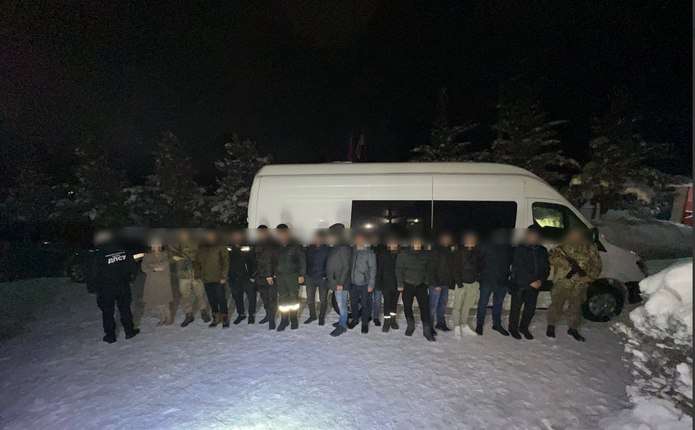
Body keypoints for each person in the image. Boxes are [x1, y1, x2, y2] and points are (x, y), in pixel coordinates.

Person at [547, 227, 602, 342]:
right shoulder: (562, 246)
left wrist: (589, 277)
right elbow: (551, 258)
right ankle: (551, 325)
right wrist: (565, 263)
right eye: (573, 234)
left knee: (576, 307)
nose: (575, 236)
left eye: (577, 234)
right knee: (556, 305)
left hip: (580, 284)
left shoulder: (590, 247)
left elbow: (597, 265)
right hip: (563, 282)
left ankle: (573, 328)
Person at [89, 230, 139, 343]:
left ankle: (110, 336)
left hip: (105, 288)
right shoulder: (123, 250)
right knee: (125, 309)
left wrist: (93, 287)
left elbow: (93, 272)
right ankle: (129, 331)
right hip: (122, 285)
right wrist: (130, 278)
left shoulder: (98, 254)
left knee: (107, 312)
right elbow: (132, 267)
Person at [508, 225, 550, 340]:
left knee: (530, 310)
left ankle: (524, 328)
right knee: (516, 309)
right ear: (527, 235)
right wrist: (531, 281)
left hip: (535, 285)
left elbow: (546, 268)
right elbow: (518, 267)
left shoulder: (542, 250)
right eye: (531, 235)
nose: (533, 237)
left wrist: (541, 280)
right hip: (520, 284)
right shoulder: (519, 249)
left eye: (535, 235)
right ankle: (513, 328)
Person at [396, 235, 435, 341]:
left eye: (419, 242)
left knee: (425, 307)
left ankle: (427, 330)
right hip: (408, 285)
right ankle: (410, 325)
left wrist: (426, 282)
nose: (417, 244)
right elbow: (399, 270)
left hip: (421, 285)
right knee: (407, 306)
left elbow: (428, 269)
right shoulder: (404, 254)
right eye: (415, 242)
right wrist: (400, 284)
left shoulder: (425, 254)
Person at [476, 229, 513, 336]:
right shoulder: (484, 244)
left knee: (498, 304)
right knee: (482, 304)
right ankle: (479, 324)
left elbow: (510, 262)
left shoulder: (508, 246)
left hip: (502, 281)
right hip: (487, 280)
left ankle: (497, 324)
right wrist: (480, 275)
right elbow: (477, 260)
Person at [269, 224, 306, 331]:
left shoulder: (295, 244)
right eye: (279, 233)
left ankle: (294, 320)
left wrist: (301, 274)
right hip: (280, 277)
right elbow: (272, 261)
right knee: (283, 299)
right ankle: (284, 320)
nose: (281, 235)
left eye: (282, 233)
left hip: (293, 276)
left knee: (293, 299)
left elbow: (302, 260)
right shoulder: (276, 246)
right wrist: (271, 273)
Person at [171, 230, 211, 327]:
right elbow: (171, 256)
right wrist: (176, 257)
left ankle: (203, 312)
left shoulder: (195, 243)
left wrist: (191, 257)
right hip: (183, 274)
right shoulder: (176, 245)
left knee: (200, 294)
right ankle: (188, 315)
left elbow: (201, 254)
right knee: (185, 296)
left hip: (195, 273)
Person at [452, 231, 483, 338]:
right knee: (457, 306)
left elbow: (481, 267)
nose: (471, 241)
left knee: (467, 306)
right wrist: (459, 283)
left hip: (473, 284)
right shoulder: (458, 252)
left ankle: (464, 325)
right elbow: (455, 268)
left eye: (472, 239)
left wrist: (477, 280)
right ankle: (457, 327)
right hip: (462, 283)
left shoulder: (477, 252)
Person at [198, 230, 230, 328]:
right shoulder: (202, 247)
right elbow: (198, 262)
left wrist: (224, 276)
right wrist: (200, 274)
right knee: (212, 300)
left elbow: (226, 261)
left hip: (218, 278)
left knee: (221, 299)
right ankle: (216, 317)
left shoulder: (220, 245)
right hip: (207, 279)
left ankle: (224, 318)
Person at [326, 224, 352, 337]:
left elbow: (346, 266)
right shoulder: (337, 246)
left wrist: (341, 283)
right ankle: (342, 320)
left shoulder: (344, 247)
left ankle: (342, 326)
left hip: (341, 283)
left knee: (342, 305)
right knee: (340, 304)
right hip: (335, 281)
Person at [348, 231, 377, 333]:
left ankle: (364, 323)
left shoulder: (369, 253)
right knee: (353, 303)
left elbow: (373, 269)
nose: (359, 241)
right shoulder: (353, 251)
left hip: (365, 284)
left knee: (365, 305)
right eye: (357, 239)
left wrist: (371, 285)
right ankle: (355, 320)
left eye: (361, 239)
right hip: (353, 283)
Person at [141, 239, 174, 326]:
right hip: (152, 282)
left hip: (164, 282)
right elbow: (144, 268)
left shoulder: (165, 254)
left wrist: (151, 265)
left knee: (165, 302)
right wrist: (154, 268)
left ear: (160, 245)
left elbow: (164, 265)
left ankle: (169, 318)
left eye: (157, 244)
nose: (155, 246)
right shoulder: (147, 255)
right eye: (153, 244)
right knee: (158, 302)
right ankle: (162, 318)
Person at [228, 229, 257, 324]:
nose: (236, 238)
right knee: (237, 297)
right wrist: (229, 275)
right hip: (234, 277)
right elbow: (225, 261)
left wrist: (252, 276)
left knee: (251, 297)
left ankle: (251, 315)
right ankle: (241, 314)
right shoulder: (229, 247)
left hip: (247, 277)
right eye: (234, 236)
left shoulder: (247, 246)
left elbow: (254, 262)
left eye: (238, 235)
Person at [429, 231, 457, 332]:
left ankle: (440, 323)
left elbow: (451, 268)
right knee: (433, 306)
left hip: (445, 283)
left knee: (442, 305)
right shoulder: (436, 250)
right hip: (436, 284)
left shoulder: (449, 251)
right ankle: (429, 326)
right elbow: (431, 268)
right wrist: (436, 284)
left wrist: (451, 283)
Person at [304, 230, 330, 325]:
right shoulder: (309, 248)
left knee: (323, 299)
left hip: (322, 278)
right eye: (315, 237)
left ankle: (321, 317)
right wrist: (305, 274)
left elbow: (330, 263)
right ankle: (312, 316)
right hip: (310, 277)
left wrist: (326, 275)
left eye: (319, 237)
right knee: (310, 299)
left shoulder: (328, 249)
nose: (317, 239)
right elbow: (305, 261)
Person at [375, 234, 400, 332]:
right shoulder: (383, 255)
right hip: (386, 284)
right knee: (387, 303)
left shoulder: (400, 255)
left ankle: (393, 321)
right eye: (391, 242)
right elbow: (379, 270)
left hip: (397, 284)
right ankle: (386, 322)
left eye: (395, 242)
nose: (393, 244)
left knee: (394, 303)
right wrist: (378, 284)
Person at [254, 225, 277, 329]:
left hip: (270, 276)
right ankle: (268, 315)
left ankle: (272, 320)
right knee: (264, 297)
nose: (260, 234)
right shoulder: (257, 243)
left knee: (272, 298)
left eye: (262, 232)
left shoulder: (272, 243)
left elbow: (270, 260)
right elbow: (255, 259)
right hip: (260, 276)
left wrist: (269, 275)